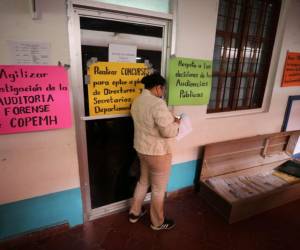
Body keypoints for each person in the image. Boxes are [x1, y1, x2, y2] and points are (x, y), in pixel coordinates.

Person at [128, 73, 181, 230]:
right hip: (158, 153)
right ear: (158, 87)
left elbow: (148, 123)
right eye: (163, 89)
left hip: (141, 150)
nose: (163, 92)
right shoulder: (158, 104)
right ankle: (157, 222)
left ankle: (134, 213)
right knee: (158, 189)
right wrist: (177, 123)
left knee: (143, 181)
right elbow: (168, 132)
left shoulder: (137, 101)